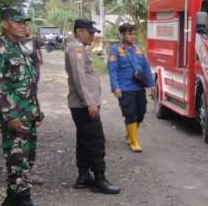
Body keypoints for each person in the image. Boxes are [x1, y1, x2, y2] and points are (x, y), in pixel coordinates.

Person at [0, 6, 46, 206]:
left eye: (25, 22)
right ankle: (22, 204)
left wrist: (36, 110)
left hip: (27, 111)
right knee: (17, 159)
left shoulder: (19, 47)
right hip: (14, 114)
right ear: (4, 24)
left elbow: (28, 80)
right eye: (18, 21)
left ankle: (12, 198)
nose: (23, 25)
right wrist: (10, 115)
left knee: (27, 157)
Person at [66, 19, 120, 193]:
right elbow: (79, 77)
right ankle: (100, 179)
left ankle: (83, 176)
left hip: (83, 104)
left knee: (84, 140)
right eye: (90, 32)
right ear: (80, 31)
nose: (93, 36)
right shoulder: (76, 48)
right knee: (96, 141)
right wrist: (90, 102)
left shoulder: (79, 47)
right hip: (84, 105)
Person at [108, 22, 157, 153]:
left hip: (139, 87)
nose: (132, 36)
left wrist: (152, 84)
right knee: (130, 114)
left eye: (134, 33)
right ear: (122, 35)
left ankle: (130, 133)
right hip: (125, 88)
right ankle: (134, 141)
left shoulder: (138, 49)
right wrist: (115, 87)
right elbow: (112, 70)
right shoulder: (115, 50)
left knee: (141, 113)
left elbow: (146, 68)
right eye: (129, 34)